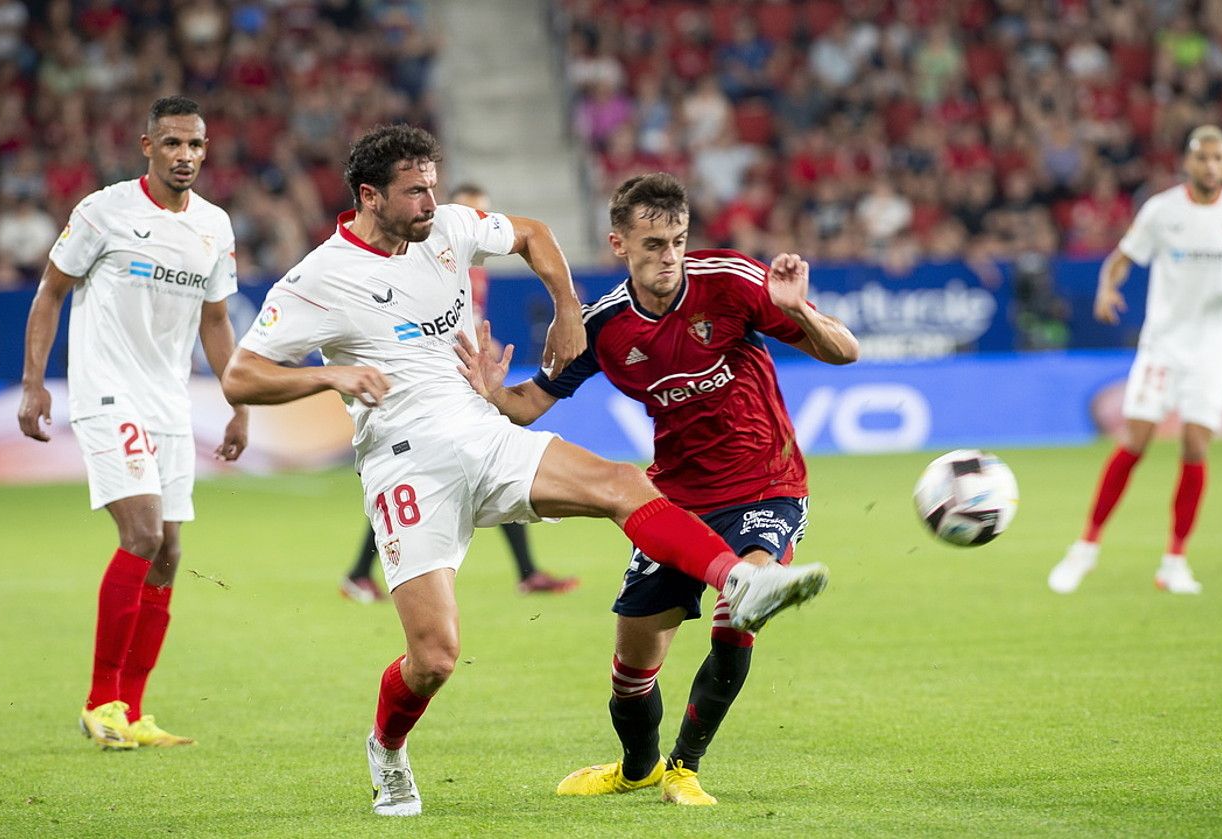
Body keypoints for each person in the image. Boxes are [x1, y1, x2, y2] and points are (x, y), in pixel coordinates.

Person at [220, 125, 830, 817]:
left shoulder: (447, 226)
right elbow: (242, 376)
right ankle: (387, 750)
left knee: (623, 484)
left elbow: (535, 234)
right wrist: (332, 373)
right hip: (407, 466)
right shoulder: (320, 277)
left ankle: (740, 581)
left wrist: (567, 310)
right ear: (370, 195)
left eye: (433, 186)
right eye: (415, 191)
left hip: (482, 434)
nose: (431, 202)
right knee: (435, 658)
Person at [454, 172, 859, 805]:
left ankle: (685, 768)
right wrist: (490, 392)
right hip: (673, 501)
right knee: (632, 667)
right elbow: (531, 403)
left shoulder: (732, 281)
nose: (668, 257)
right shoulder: (607, 325)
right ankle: (638, 768)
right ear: (619, 245)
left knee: (740, 608)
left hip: (766, 485)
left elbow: (846, 352)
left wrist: (798, 310)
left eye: (676, 241)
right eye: (651, 245)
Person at [17, 96, 246, 749]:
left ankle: (133, 710)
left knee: (171, 554)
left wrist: (238, 403)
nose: (185, 157)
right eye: (172, 143)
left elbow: (216, 322)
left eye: (195, 145)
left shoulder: (214, 226)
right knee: (143, 534)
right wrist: (34, 385)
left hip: (170, 400)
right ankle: (98, 702)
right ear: (146, 146)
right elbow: (50, 293)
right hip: (107, 391)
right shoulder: (103, 211)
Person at [1048, 125, 1222, 595]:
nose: (1212, 167)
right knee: (1135, 439)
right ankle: (1085, 547)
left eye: (1220, 159)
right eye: (1203, 159)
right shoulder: (1162, 211)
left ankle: (1174, 562)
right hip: (1164, 345)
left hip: (1215, 349)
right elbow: (1121, 257)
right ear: (1188, 163)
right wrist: (1107, 285)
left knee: (1196, 446)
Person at [340, 184, 578, 602]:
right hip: (426, 387)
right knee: (423, 473)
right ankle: (360, 571)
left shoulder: (474, 271)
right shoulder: (421, 257)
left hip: (463, 379)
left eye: (485, 213)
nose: (480, 222)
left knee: (482, 458)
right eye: (471, 212)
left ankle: (526, 571)